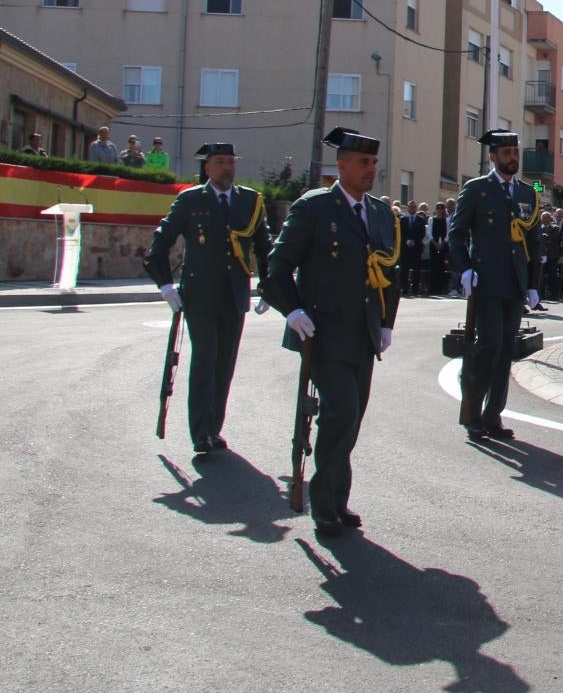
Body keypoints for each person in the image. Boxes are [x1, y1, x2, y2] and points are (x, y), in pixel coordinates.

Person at [261, 127, 400, 537]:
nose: (370, 169)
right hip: (322, 331)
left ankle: (338, 499)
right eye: (362, 162)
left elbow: (390, 272)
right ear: (340, 166)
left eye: (374, 163)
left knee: (353, 419)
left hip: (363, 333)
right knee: (339, 412)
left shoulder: (378, 213)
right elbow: (276, 268)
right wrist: (293, 310)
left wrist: (387, 321)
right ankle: (324, 505)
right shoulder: (315, 208)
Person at [144, 142, 273, 458]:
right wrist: (166, 287)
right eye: (220, 162)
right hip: (200, 295)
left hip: (234, 294)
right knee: (205, 358)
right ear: (207, 167)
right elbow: (159, 244)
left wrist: (269, 287)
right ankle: (201, 431)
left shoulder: (250, 201)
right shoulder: (191, 200)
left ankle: (214, 427)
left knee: (224, 362)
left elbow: (264, 246)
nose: (227, 167)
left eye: (230, 161)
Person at [448, 129, 542, 441]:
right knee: (488, 346)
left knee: (505, 351)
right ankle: (473, 415)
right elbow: (456, 233)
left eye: (515, 152)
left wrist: (533, 284)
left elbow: (533, 241)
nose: (512, 157)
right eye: (506, 153)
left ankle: (493, 416)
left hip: (514, 284)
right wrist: (464, 270)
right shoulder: (477, 189)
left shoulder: (527, 194)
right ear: (492, 157)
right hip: (486, 281)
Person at [400, 201, 428, 296]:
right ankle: (404, 289)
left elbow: (422, 233)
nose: (412, 208)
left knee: (416, 270)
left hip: (416, 248)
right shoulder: (402, 219)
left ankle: (415, 289)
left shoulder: (421, 220)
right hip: (405, 248)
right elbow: (400, 233)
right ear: (407, 208)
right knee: (404, 270)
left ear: (416, 208)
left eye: (413, 207)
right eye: (410, 207)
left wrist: (414, 241)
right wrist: (406, 240)